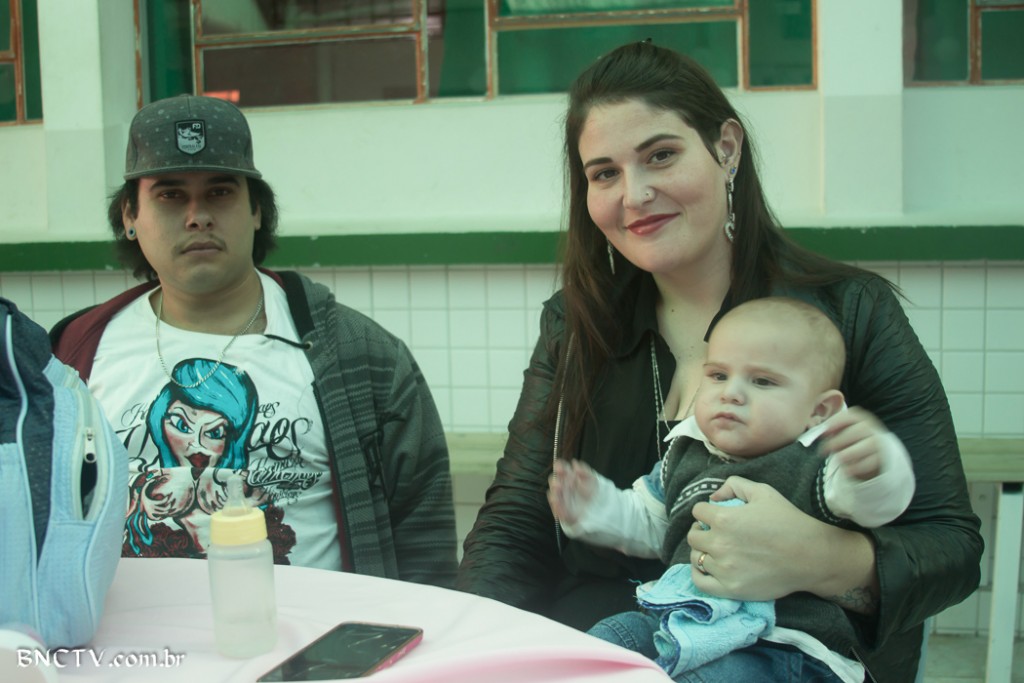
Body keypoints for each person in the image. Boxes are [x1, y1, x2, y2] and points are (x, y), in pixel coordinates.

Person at [455, 41, 982, 682]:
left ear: (726, 148)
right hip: (603, 649)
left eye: (661, 155)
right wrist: (467, 649)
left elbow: (949, 545)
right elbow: (515, 523)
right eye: (605, 173)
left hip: (782, 655)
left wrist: (822, 558)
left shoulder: (849, 312)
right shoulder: (576, 322)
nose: (634, 194)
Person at [50, 94, 457, 587]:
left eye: (220, 192)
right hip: (130, 635)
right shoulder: (74, 354)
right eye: (170, 195)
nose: (198, 216)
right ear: (129, 216)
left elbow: (425, 543)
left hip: (311, 634)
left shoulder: (359, 356)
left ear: (257, 210)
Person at [547, 297, 916, 682]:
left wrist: (874, 467)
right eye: (719, 375)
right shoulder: (685, 453)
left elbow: (877, 506)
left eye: (763, 381)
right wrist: (591, 507)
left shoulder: (821, 463)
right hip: (681, 624)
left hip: (782, 647)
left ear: (818, 411)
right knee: (606, 641)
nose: (731, 393)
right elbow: (649, 523)